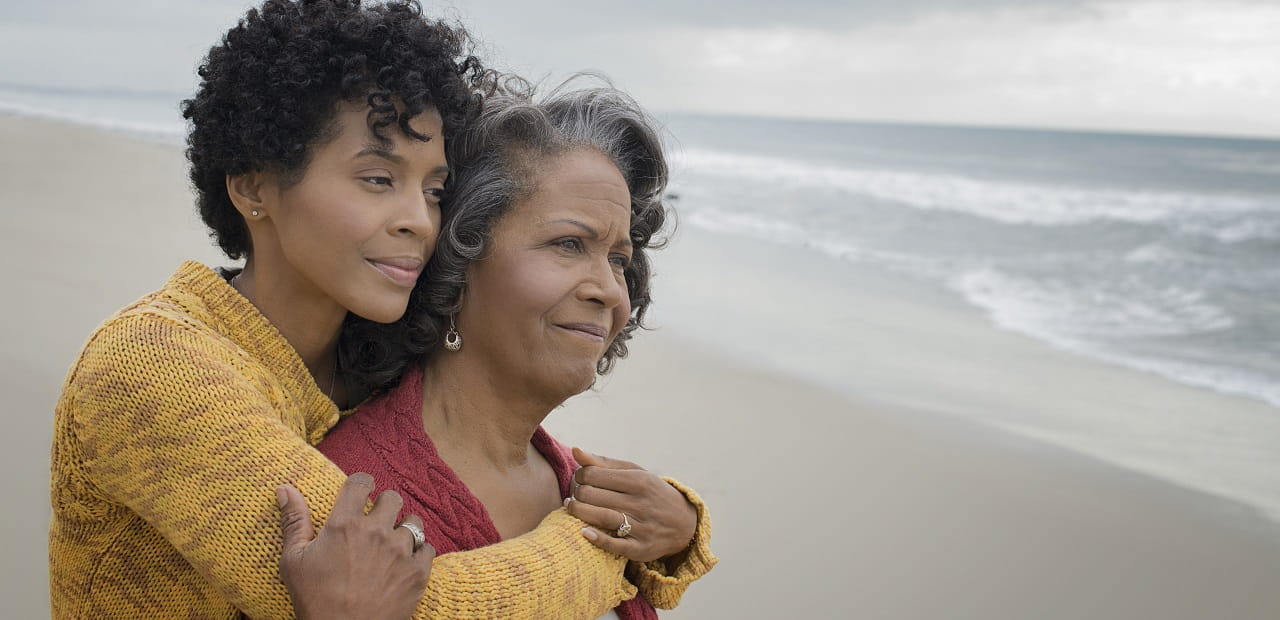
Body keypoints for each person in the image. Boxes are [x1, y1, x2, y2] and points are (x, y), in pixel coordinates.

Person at [47, 2, 686, 617]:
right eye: (378, 179)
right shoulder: (153, 364)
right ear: (252, 185)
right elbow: (415, 599)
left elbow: (480, 436)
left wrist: (680, 520)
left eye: (434, 191)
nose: (419, 221)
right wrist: (614, 545)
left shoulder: (357, 353)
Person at [311, 84, 718, 620]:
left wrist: (681, 535)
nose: (610, 290)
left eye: (619, 259)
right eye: (569, 244)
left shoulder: (587, 487)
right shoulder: (353, 500)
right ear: (457, 267)